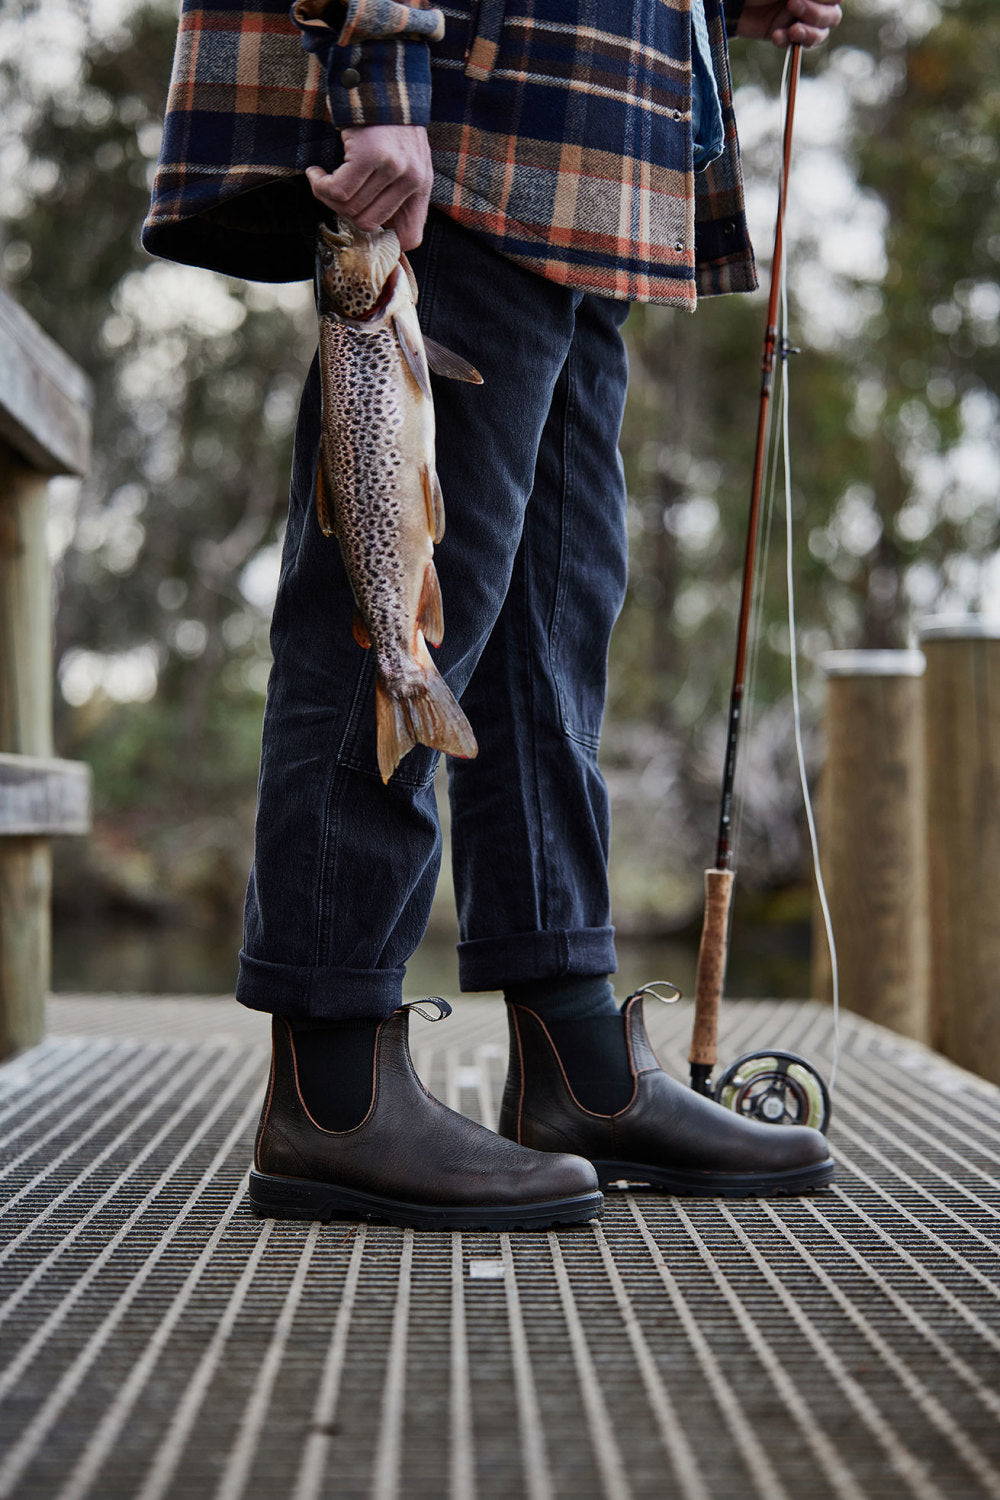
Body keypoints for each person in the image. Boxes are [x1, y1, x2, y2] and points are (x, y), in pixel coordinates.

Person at [144, 0, 843, 1230]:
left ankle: (575, 1065)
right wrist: (379, 78)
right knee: (389, 610)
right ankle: (331, 1095)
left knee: (550, 633)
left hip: (607, 160)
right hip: (477, 112)